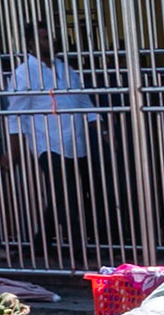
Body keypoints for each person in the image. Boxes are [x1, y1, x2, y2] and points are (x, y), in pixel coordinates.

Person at [6, 20, 99, 267]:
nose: (51, 42)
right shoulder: (24, 72)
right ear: (31, 44)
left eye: (50, 37)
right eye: (44, 38)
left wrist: (98, 126)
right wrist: (13, 149)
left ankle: (39, 242)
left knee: (63, 194)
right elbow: (15, 112)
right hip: (47, 141)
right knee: (66, 195)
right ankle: (79, 251)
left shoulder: (64, 67)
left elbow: (83, 99)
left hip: (75, 140)